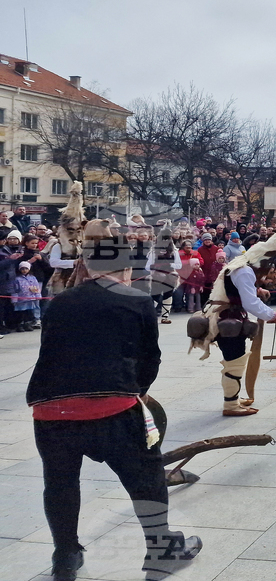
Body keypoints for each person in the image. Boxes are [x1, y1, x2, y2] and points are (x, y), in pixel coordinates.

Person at [26, 220, 201, 581]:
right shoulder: (137, 301)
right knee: (147, 478)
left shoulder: (59, 303)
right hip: (111, 407)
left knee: (59, 483)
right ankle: (161, 552)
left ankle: (65, 555)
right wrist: (135, 391)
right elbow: (148, 360)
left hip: (50, 409)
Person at [191, 202, 276, 416]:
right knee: (235, 361)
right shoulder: (245, 271)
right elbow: (249, 303)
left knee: (235, 360)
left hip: (225, 316)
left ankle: (234, 399)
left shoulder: (240, 266)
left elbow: (239, 290)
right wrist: (272, 315)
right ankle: (230, 405)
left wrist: (257, 291)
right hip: (227, 319)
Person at [0, 230, 25, 334]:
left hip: (9, 281)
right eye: (4, 239)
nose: (5, 241)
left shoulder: (5, 249)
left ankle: (11, 324)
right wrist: (10, 259)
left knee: (8, 305)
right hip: (2, 281)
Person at [12, 261, 42, 331]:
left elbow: (36, 287)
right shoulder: (17, 279)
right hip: (21, 300)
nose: (24, 270)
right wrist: (14, 299)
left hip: (30, 298)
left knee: (29, 312)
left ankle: (27, 324)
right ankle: (20, 325)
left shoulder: (33, 278)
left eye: (26, 269)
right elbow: (15, 290)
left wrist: (37, 296)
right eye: (22, 269)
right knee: (21, 313)